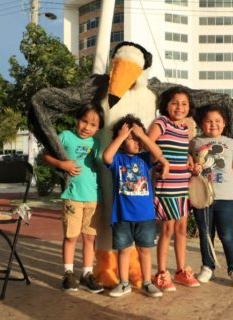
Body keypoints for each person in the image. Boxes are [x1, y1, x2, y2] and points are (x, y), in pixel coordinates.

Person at [103, 114, 169, 298]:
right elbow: (106, 157)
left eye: (138, 138)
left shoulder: (145, 158)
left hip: (145, 216)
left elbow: (158, 154)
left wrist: (142, 136)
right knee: (124, 251)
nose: (137, 142)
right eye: (132, 139)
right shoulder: (118, 159)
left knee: (144, 250)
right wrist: (122, 136)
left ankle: (147, 282)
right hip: (122, 216)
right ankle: (124, 284)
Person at [43, 103, 105, 293]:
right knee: (71, 237)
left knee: (89, 238)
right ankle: (68, 273)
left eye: (93, 125)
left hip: (94, 197)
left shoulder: (97, 143)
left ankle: (86, 274)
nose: (87, 127)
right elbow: (46, 155)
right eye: (84, 121)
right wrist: (62, 164)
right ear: (77, 120)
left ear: (98, 128)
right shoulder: (65, 136)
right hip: (72, 197)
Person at [189, 103, 233, 288]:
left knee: (227, 234)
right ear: (201, 124)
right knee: (206, 234)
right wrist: (193, 169)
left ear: (224, 124)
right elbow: (188, 165)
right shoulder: (195, 143)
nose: (213, 124)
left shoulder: (231, 144)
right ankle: (207, 266)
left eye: (217, 121)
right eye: (208, 121)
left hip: (226, 198)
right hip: (202, 197)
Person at [149, 86, 200, 291]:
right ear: (166, 105)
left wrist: (189, 159)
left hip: (182, 186)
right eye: (175, 102)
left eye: (184, 103)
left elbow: (180, 149)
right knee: (167, 230)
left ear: (189, 107)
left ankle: (180, 271)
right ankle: (161, 274)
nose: (180, 107)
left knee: (181, 229)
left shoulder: (184, 128)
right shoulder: (161, 122)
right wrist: (160, 161)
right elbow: (147, 144)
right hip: (165, 186)